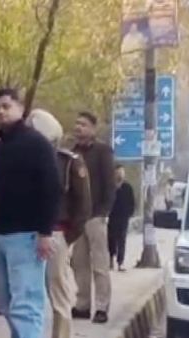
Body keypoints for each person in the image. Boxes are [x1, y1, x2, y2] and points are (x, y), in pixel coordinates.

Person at [0, 88, 61, 338]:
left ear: (20, 107)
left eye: (6, 106)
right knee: (6, 302)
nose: (1, 112)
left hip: (28, 236)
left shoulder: (37, 145)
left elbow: (52, 190)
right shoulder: (0, 147)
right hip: (1, 235)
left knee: (27, 304)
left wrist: (45, 232)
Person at [26, 109, 91, 338]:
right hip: (25, 234)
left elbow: (83, 207)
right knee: (25, 298)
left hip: (56, 234)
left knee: (59, 294)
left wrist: (67, 237)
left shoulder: (68, 163)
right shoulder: (23, 162)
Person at [71, 111, 115, 324]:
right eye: (77, 124)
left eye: (83, 124)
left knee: (99, 264)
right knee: (79, 264)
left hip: (96, 215)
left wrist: (104, 212)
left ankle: (101, 307)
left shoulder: (103, 151)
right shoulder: (72, 154)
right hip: (77, 218)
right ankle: (82, 305)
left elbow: (109, 184)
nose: (78, 128)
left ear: (93, 129)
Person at [108, 164, 136, 272]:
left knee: (122, 240)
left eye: (122, 172)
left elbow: (132, 202)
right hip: (111, 217)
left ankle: (120, 262)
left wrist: (129, 213)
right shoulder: (110, 187)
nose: (120, 175)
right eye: (118, 172)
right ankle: (110, 260)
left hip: (123, 218)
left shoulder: (127, 187)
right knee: (111, 239)